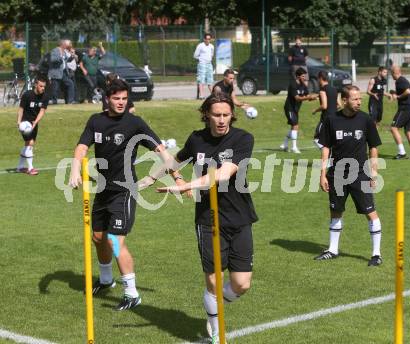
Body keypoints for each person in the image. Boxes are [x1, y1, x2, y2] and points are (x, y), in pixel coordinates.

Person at [68, 79, 180, 311]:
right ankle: (106, 279)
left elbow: (163, 153)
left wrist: (166, 177)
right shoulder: (96, 121)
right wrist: (75, 170)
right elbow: (81, 147)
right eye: (116, 98)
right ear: (107, 99)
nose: (121, 103)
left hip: (124, 191)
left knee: (115, 241)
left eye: (124, 99)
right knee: (98, 238)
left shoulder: (135, 123)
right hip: (103, 190)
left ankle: (131, 293)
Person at [156, 94, 258, 344]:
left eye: (226, 115)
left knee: (241, 284)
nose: (221, 120)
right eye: (216, 115)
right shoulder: (196, 139)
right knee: (213, 280)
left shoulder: (243, 139)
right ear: (207, 115)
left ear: (232, 115)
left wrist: (186, 185)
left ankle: (213, 305)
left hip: (239, 216)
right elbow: (172, 163)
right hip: (207, 220)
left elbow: (223, 174)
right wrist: (177, 179)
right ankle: (215, 332)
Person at [315, 85, 383, 266]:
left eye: (360, 98)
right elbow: (326, 148)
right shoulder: (331, 120)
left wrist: (373, 173)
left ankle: (376, 254)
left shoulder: (366, 120)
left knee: (370, 213)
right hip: (336, 174)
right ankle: (333, 249)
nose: (359, 102)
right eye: (355, 99)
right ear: (344, 100)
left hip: (360, 174)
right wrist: (322, 174)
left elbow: (373, 147)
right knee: (335, 211)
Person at [16, 74, 49, 175]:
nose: (42, 88)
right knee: (30, 143)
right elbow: (21, 109)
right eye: (40, 86)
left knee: (29, 144)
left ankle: (20, 167)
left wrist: (36, 121)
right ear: (35, 85)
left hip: (34, 123)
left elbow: (42, 111)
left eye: (44, 86)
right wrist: (19, 122)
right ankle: (30, 168)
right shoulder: (27, 95)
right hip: (25, 123)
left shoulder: (45, 96)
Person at [280, 67, 317, 153]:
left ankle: (285, 144)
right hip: (289, 108)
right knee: (295, 126)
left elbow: (307, 96)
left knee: (294, 127)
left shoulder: (303, 85)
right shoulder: (293, 85)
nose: (305, 78)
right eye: (303, 76)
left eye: (305, 76)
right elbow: (297, 98)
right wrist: (308, 97)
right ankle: (294, 147)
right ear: (298, 76)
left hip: (295, 109)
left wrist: (314, 97)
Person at [389, 66, 410, 160]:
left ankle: (401, 152)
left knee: (393, 128)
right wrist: (394, 92)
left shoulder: (400, 80)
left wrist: (397, 97)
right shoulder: (402, 80)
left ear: (395, 72)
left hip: (405, 108)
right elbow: (404, 91)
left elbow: (408, 91)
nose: (391, 76)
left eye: (391, 74)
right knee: (408, 131)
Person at [312, 70, 339, 149]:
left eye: (317, 79)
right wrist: (332, 108)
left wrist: (315, 110)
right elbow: (339, 105)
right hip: (335, 117)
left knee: (316, 138)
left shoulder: (322, 90)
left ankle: (328, 153)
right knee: (330, 139)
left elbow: (324, 106)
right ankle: (331, 155)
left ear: (320, 78)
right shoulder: (334, 89)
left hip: (326, 118)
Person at [48, 39, 75, 104]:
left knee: (70, 84)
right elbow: (52, 59)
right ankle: (54, 102)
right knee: (55, 88)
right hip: (56, 73)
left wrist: (72, 56)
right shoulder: (55, 50)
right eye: (66, 44)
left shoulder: (64, 51)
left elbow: (66, 61)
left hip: (63, 73)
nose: (67, 45)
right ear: (62, 45)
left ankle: (70, 101)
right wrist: (60, 57)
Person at [194, 33, 215, 99]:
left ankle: (213, 95)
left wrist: (209, 60)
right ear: (204, 39)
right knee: (201, 80)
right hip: (202, 64)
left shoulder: (212, 46)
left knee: (210, 80)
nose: (208, 40)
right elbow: (195, 55)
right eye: (207, 39)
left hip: (209, 64)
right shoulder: (200, 46)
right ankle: (201, 95)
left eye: (209, 39)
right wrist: (201, 59)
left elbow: (212, 55)